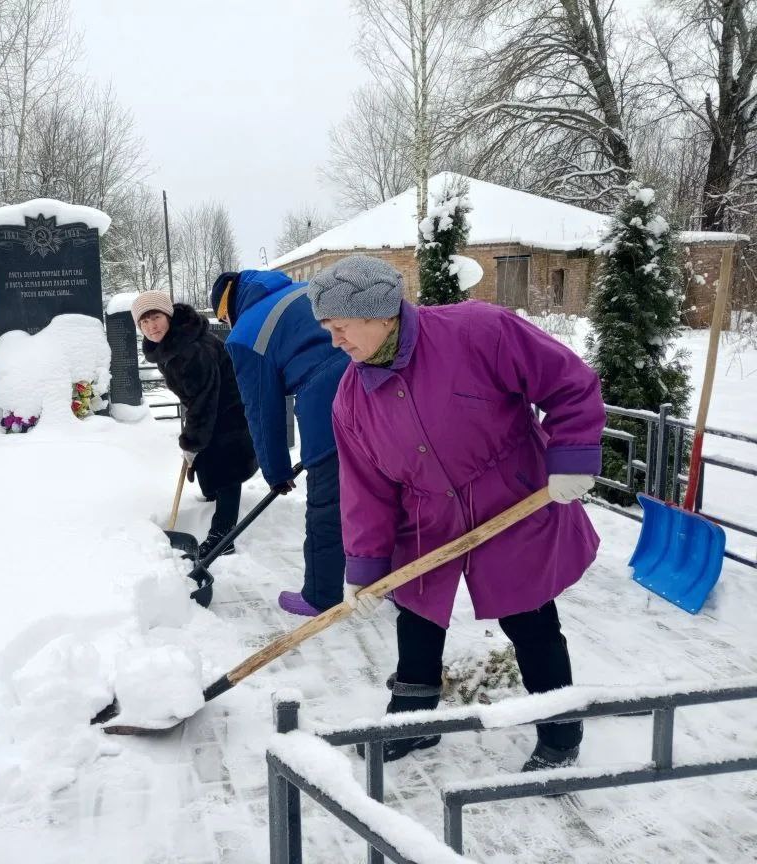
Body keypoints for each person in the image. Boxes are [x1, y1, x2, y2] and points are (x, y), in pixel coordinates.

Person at [308, 255, 604, 771]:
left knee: (529, 617)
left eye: (340, 327)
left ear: (380, 314)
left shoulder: (477, 330)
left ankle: (560, 731)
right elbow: (366, 491)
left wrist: (573, 454)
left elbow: (569, 382)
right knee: (418, 617)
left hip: (511, 500)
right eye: (327, 329)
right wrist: (365, 567)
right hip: (425, 515)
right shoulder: (351, 401)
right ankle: (413, 722)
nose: (335, 342)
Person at [209, 270, 350, 616]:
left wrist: (276, 472)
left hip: (328, 402)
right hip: (379, 382)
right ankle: (394, 582)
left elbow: (262, 409)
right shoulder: (304, 289)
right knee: (385, 491)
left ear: (228, 310)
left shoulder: (245, 334)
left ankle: (320, 595)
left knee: (328, 502)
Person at [133, 290, 258, 559]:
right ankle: (212, 503)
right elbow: (197, 400)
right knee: (210, 463)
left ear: (168, 316)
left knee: (225, 470)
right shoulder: (173, 344)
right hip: (214, 410)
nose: (151, 326)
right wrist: (194, 439)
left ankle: (222, 537)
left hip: (229, 412)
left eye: (156, 318)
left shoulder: (190, 351)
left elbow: (203, 400)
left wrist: (192, 442)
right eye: (144, 322)